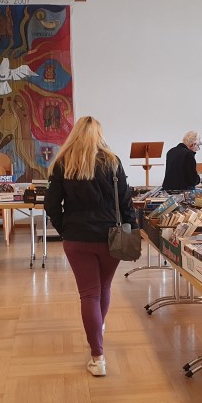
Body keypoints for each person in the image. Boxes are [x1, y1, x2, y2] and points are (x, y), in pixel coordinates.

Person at [44, 115, 137, 377]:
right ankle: (98, 329)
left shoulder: (63, 163)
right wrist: (134, 228)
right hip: (110, 237)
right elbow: (126, 201)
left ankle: (97, 358)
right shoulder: (112, 162)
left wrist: (65, 231)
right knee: (103, 288)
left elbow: (51, 206)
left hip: (77, 238)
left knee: (89, 294)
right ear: (99, 135)